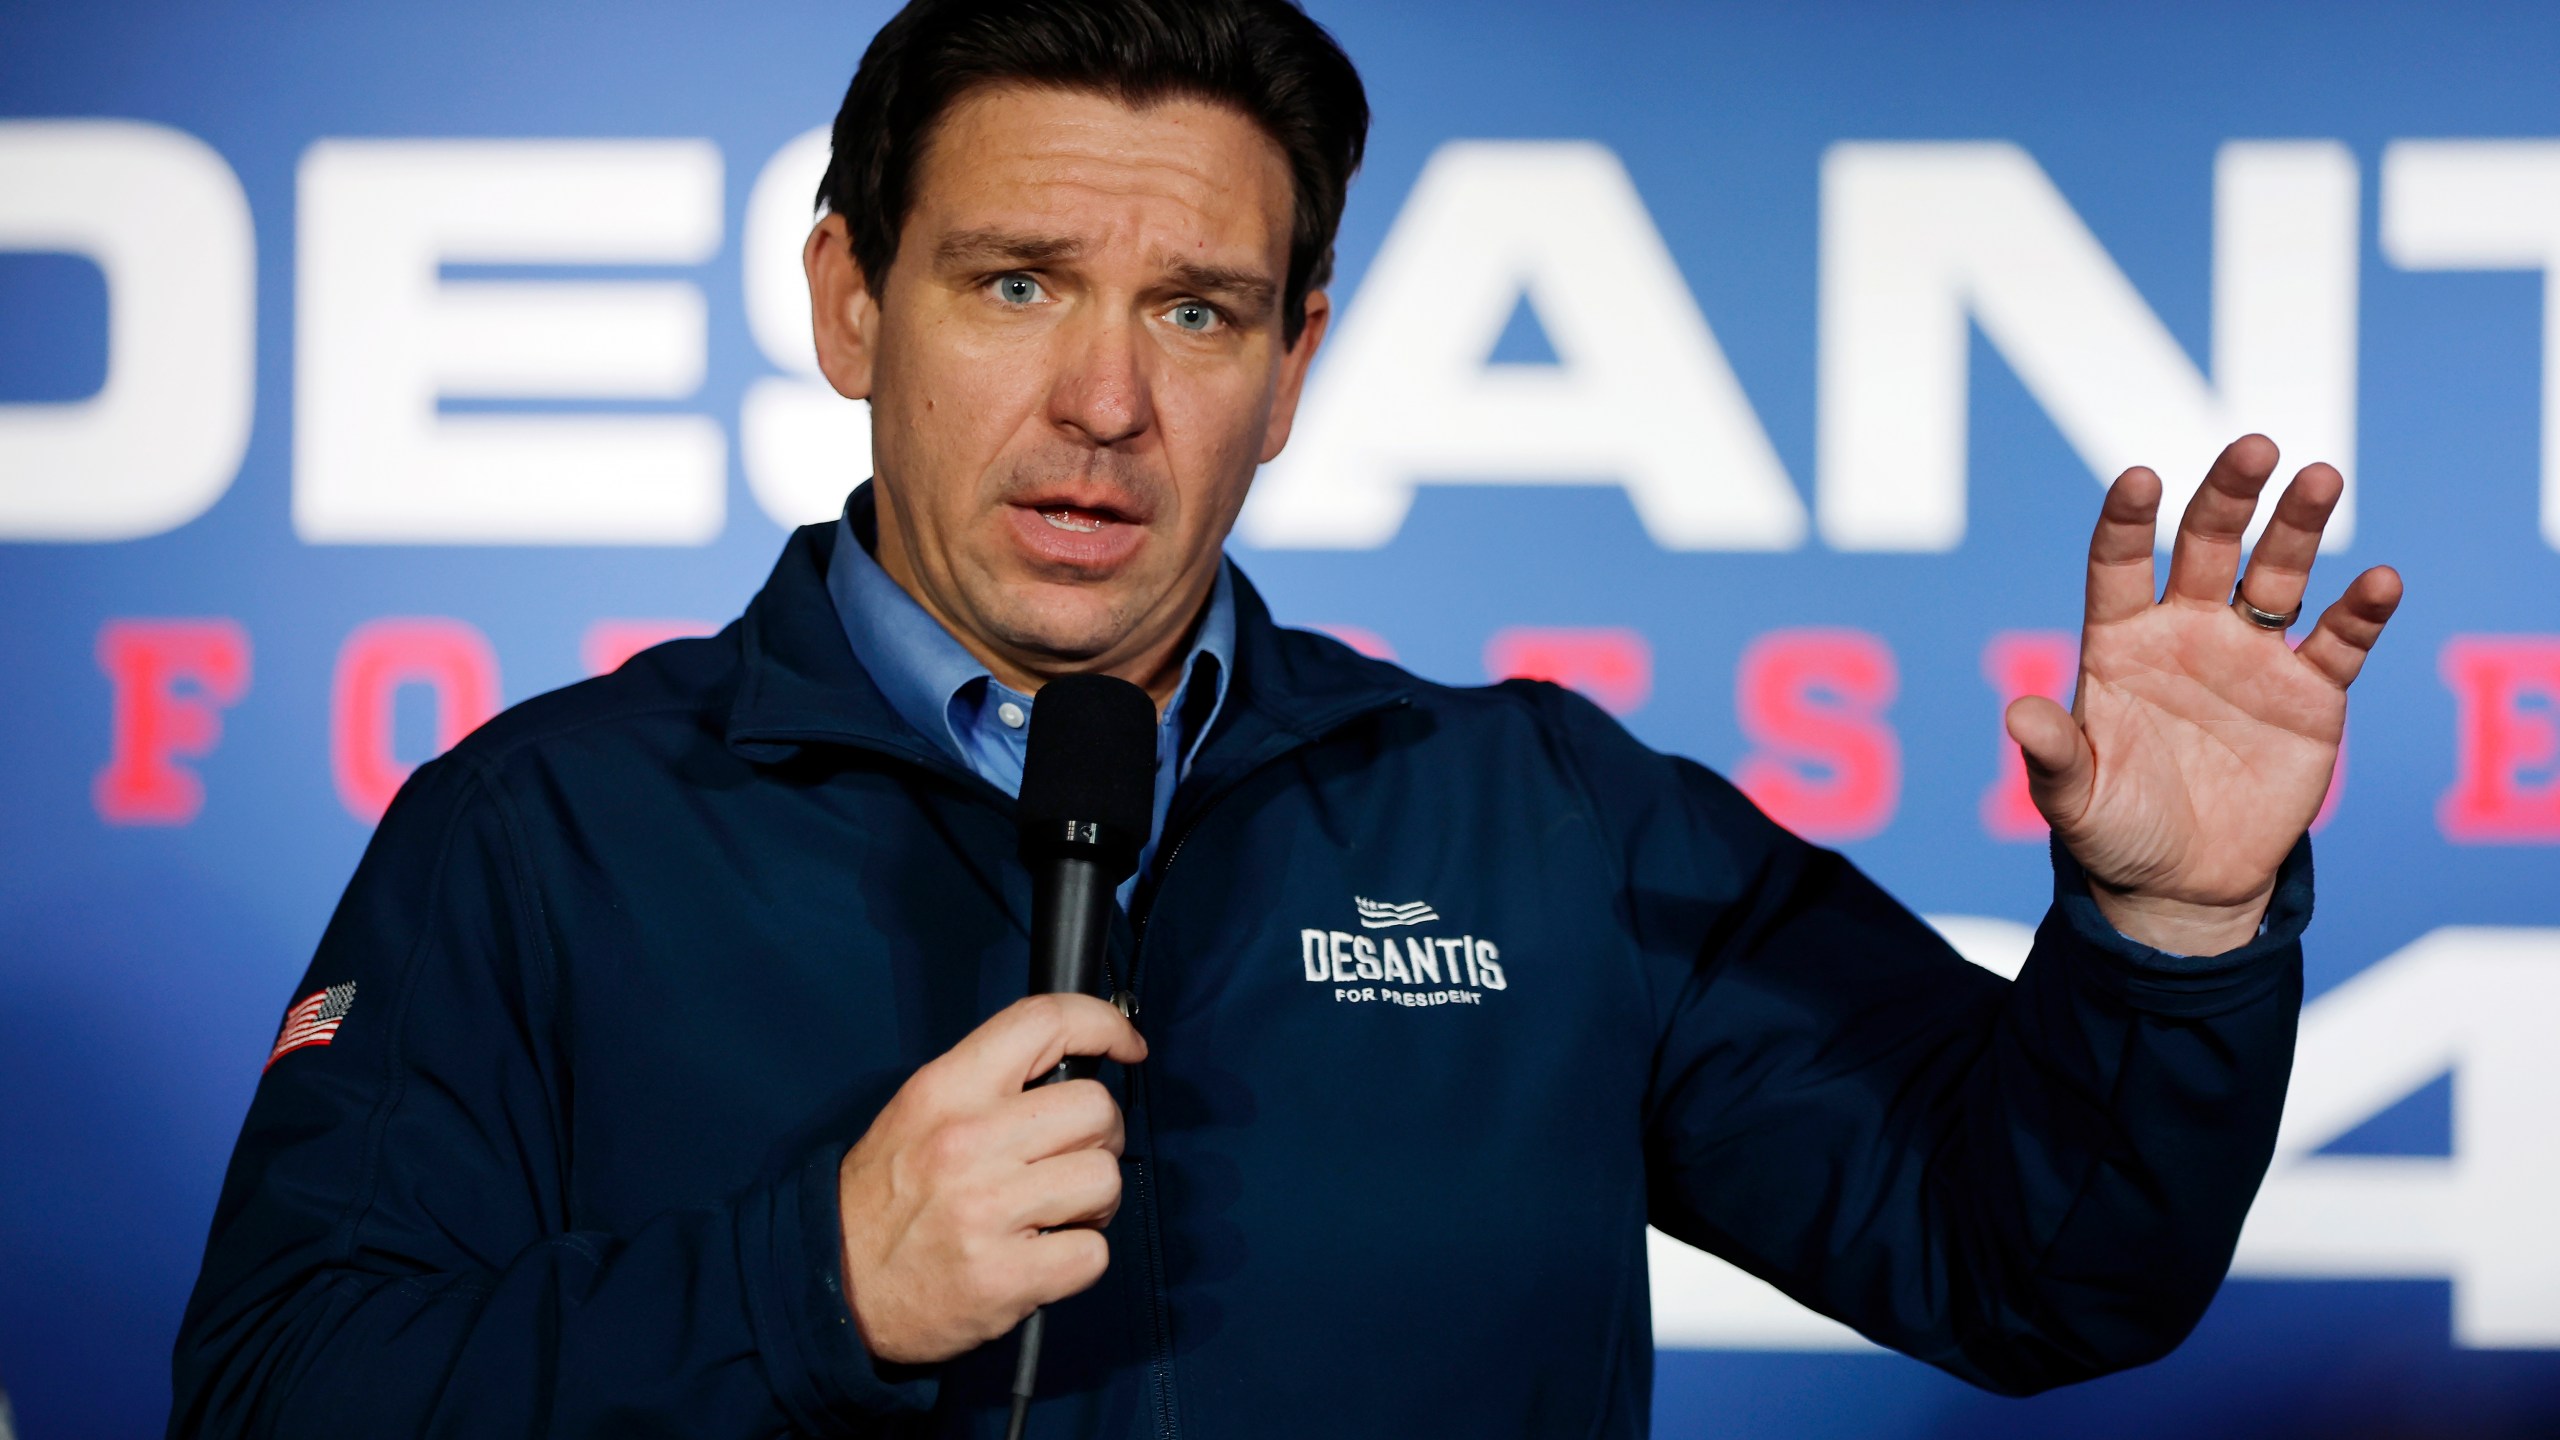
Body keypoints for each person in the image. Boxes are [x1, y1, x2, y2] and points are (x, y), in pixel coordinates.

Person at [169, 0, 2404, 1435]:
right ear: (851, 301)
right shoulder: (544, 828)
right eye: (1014, 282)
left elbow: (2031, 1267)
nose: (1104, 403)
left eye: (1198, 308)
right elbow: (276, 1401)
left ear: (1294, 363)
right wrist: (808, 1277)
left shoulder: (1535, 820)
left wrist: (2167, 943)